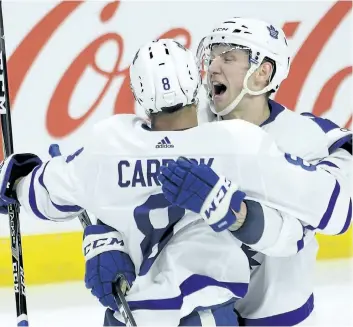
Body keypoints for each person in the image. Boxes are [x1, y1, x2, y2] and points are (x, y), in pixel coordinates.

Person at [0, 38, 263, 326]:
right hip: (210, 318)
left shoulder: (108, 146)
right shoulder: (232, 143)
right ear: (195, 81)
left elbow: (40, 196)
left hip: (130, 315)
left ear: (139, 93)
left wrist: (16, 179)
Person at [159, 17, 352, 326]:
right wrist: (106, 240)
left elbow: (335, 215)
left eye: (228, 57)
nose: (212, 67)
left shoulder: (310, 137)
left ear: (262, 73)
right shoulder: (188, 127)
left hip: (284, 319)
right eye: (212, 57)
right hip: (206, 314)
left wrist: (237, 199)